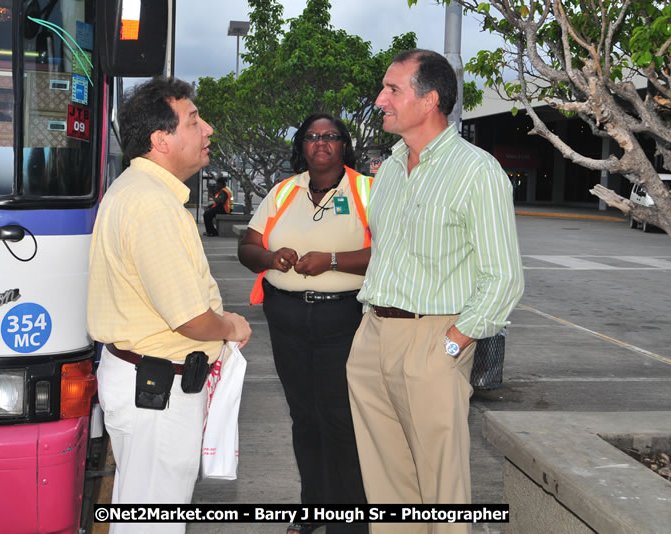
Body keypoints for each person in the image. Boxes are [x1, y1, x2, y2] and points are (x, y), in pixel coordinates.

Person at [347, 49, 524, 534]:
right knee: (385, 483)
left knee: (442, 489)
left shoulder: (477, 171)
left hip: (433, 341)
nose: (380, 99)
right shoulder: (388, 170)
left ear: (429, 101)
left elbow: (504, 277)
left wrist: (451, 344)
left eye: (393, 89)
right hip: (373, 336)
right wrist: (367, 335)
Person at [86, 77, 252, 534]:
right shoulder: (153, 205)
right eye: (194, 121)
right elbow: (190, 318)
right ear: (162, 139)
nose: (208, 129)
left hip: (147, 383)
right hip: (157, 392)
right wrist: (230, 326)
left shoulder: (136, 190)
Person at [238, 113, 372, 534]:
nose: (321, 142)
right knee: (304, 416)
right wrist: (270, 257)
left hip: (343, 318)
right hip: (287, 318)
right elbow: (247, 246)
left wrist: (331, 261)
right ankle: (313, 506)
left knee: (340, 418)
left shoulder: (368, 191)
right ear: (302, 146)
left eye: (331, 136)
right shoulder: (283, 192)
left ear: (344, 145)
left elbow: (392, 253)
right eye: (312, 137)